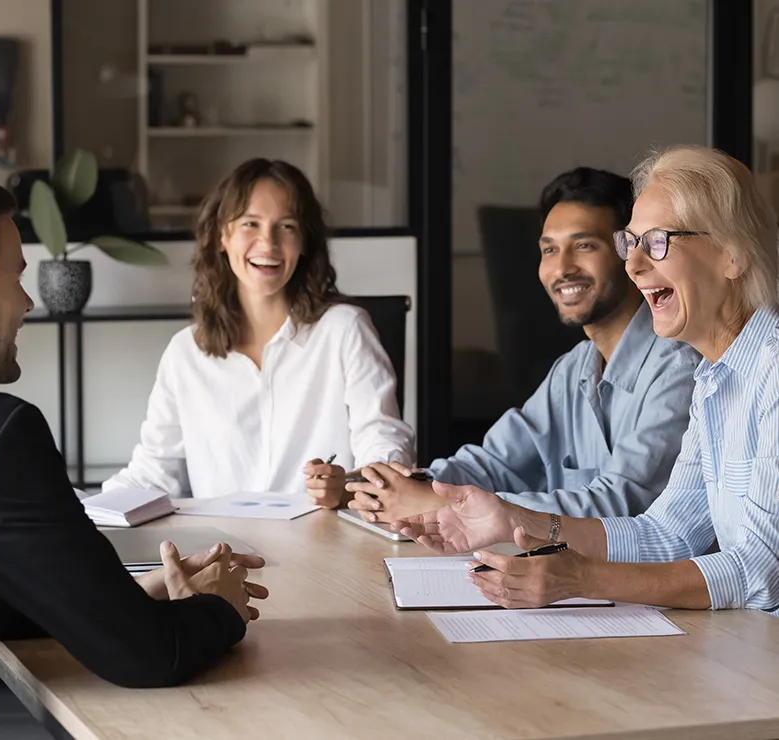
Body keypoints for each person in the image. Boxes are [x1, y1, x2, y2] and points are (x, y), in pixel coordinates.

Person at [0, 165, 268, 739]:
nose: (29, 301)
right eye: (16, 276)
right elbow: (148, 656)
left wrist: (116, 597)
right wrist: (223, 606)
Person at [396, 145, 779, 616]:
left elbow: (761, 571)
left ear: (734, 254)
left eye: (657, 241)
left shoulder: (772, 371)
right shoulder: (714, 378)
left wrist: (581, 578)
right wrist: (510, 518)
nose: (635, 265)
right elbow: (668, 534)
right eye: (630, 244)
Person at [347, 167, 699, 522]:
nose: (562, 268)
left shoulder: (678, 366)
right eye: (549, 250)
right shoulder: (574, 367)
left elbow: (620, 504)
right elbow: (496, 463)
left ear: (630, 252)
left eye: (584, 245)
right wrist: (398, 486)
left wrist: (441, 505)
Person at [102, 158, 415, 508]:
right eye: (251, 224)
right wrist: (75, 508)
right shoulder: (184, 353)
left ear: (304, 243)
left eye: (286, 226)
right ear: (223, 236)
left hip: (324, 544)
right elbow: (152, 473)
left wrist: (350, 484)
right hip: (225, 550)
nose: (268, 243)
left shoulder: (345, 330)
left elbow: (384, 442)